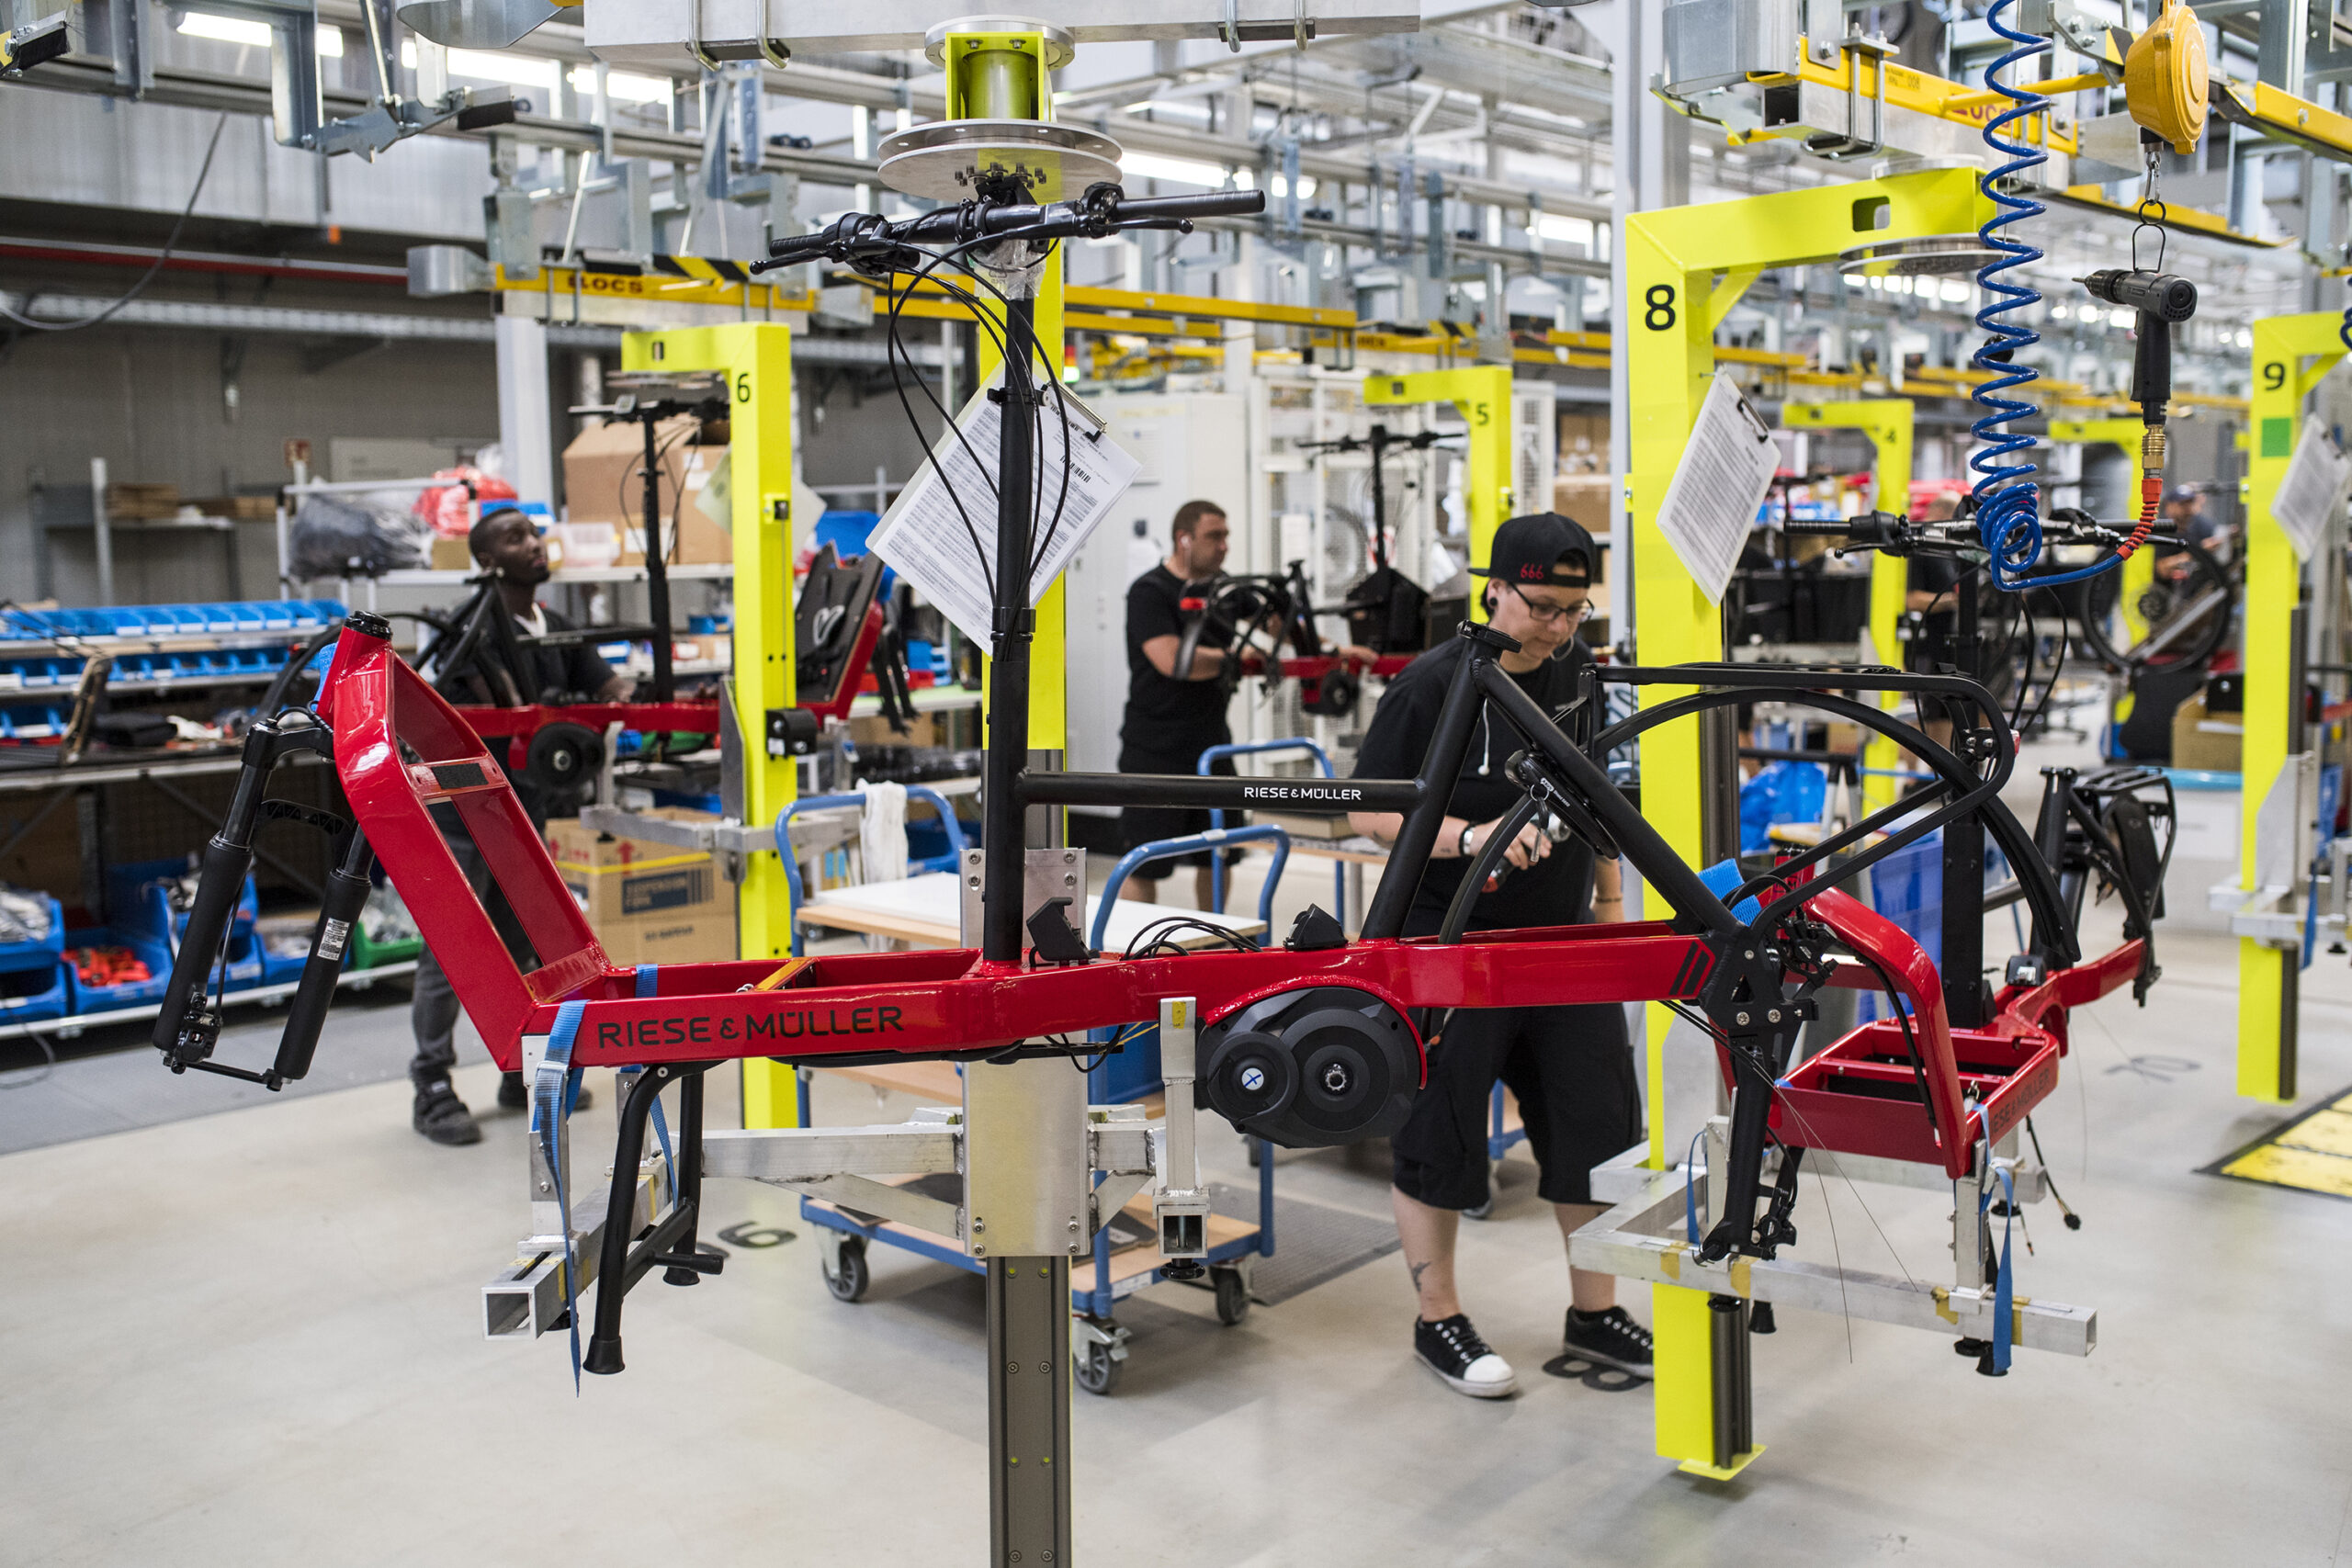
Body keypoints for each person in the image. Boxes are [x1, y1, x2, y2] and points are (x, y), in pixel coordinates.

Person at [1346, 512, 1645, 1399]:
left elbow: (1596, 799)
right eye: (1542, 607)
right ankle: (1437, 1315)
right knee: (1438, 1135)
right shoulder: (1432, 684)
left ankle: (1594, 1311)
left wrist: (1608, 912)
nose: (1557, 627)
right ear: (1496, 591)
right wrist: (1470, 837)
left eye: (1574, 611)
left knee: (1594, 1127)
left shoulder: (1579, 676)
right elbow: (1368, 810)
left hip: (1558, 946)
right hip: (1448, 943)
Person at [409, 507, 631, 1145]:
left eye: (534, 533)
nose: (534, 544)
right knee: (452, 947)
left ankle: (520, 1068)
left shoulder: (553, 627)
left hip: (522, 808)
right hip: (462, 812)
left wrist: (621, 698)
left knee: (522, 942)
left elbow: (606, 685)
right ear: (487, 561)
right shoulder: (467, 631)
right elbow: (446, 720)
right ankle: (431, 1084)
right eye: (515, 538)